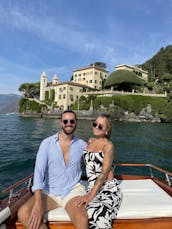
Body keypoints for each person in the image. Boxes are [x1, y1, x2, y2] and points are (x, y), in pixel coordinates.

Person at [17, 110, 88, 229]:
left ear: (76, 123)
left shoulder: (82, 145)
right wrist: (38, 204)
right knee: (23, 213)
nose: (68, 123)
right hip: (49, 192)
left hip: (72, 191)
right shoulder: (47, 143)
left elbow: (96, 162)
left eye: (72, 121)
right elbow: (38, 174)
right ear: (61, 123)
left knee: (82, 219)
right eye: (65, 121)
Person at [75, 114, 122, 229]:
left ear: (107, 131)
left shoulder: (108, 146)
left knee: (101, 217)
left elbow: (103, 174)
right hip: (92, 186)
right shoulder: (90, 141)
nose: (96, 127)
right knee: (88, 215)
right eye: (95, 124)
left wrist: (89, 196)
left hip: (107, 187)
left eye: (100, 126)